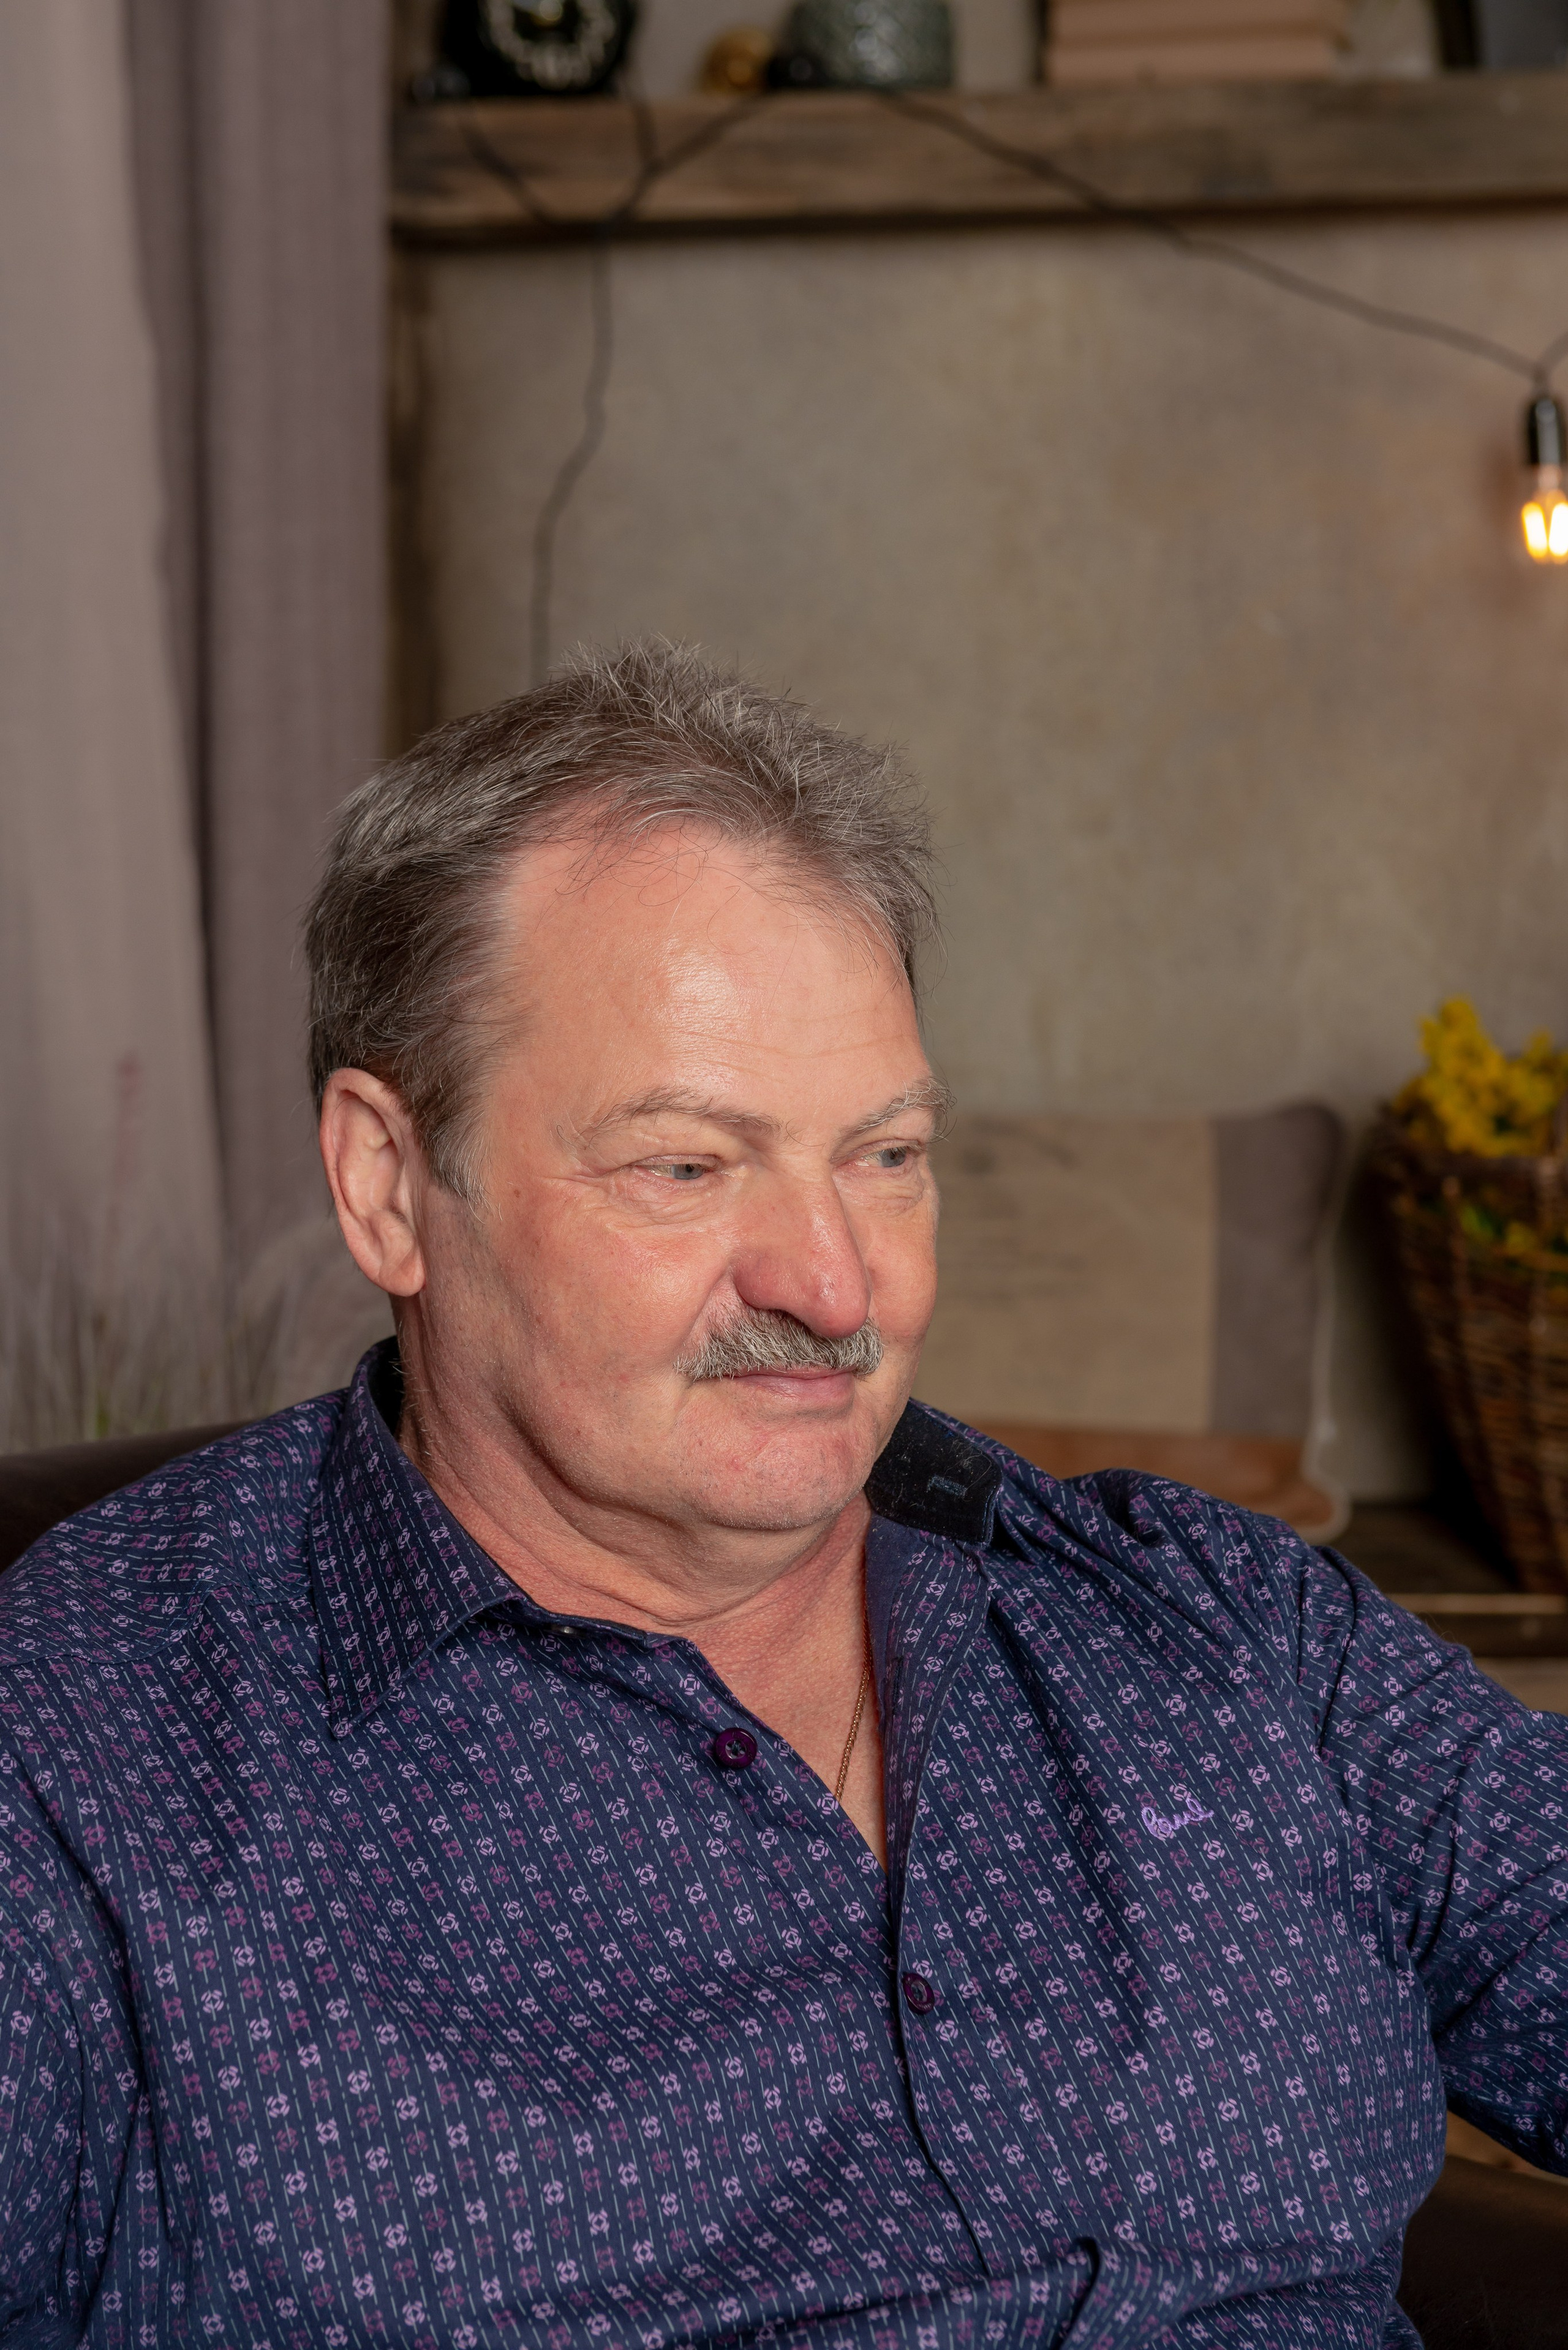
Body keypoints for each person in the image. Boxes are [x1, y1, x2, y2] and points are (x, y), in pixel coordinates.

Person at [0, 643, 1564, 2350]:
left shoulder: (1214, 1619)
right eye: (687, 1165)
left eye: (884, 1158)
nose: (834, 1284)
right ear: (390, 1184)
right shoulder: (82, 1764)